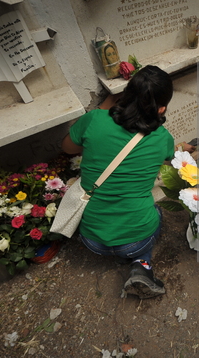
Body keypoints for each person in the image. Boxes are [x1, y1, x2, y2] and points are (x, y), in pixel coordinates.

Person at [61, 65, 174, 298]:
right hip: (136, 240)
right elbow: (167, 161)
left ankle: (134, 261)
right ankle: (141, 264)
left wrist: (103, 108)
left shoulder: (94, 119)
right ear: (161, 108)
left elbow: (67, 148)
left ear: (124, 95)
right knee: (156, 212)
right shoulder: (163, 138)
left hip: (92, 240)